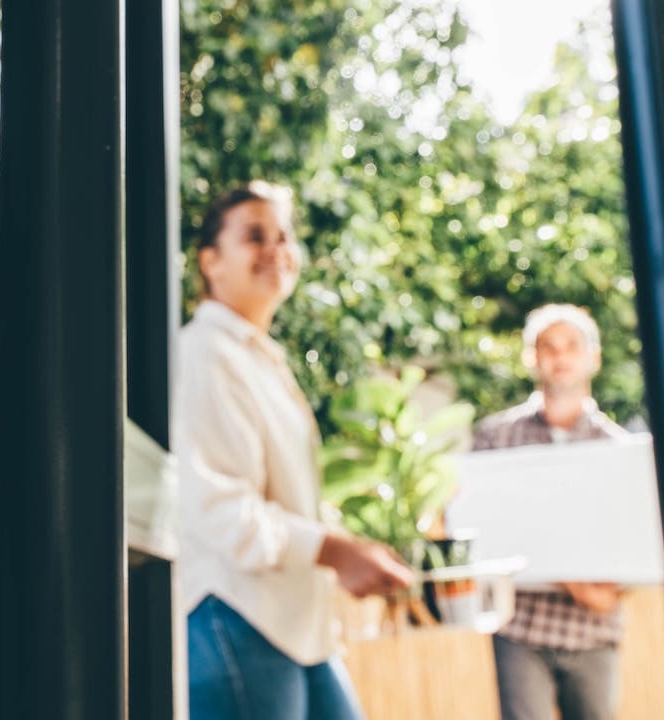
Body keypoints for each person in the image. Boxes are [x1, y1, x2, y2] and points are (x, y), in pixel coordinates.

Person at [175, 182, 414, 720]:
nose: (276, 249)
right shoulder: (204, 355)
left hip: (295, 627)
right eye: (254, 236)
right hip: (235, 617)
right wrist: (335, 550)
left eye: (283, 235)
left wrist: (352, 549)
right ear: (210, 261)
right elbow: (219, 512)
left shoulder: (260, 358)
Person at [472, 303, 628, 720]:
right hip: (520, 628)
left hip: (593, 631)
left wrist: (599, 590)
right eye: (548, 347)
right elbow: (481, 529)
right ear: (532, 357)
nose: (560, 357)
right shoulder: (494, 439)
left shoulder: (618, 450)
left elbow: (633, 544)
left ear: (592, 357)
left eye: (571, 346)